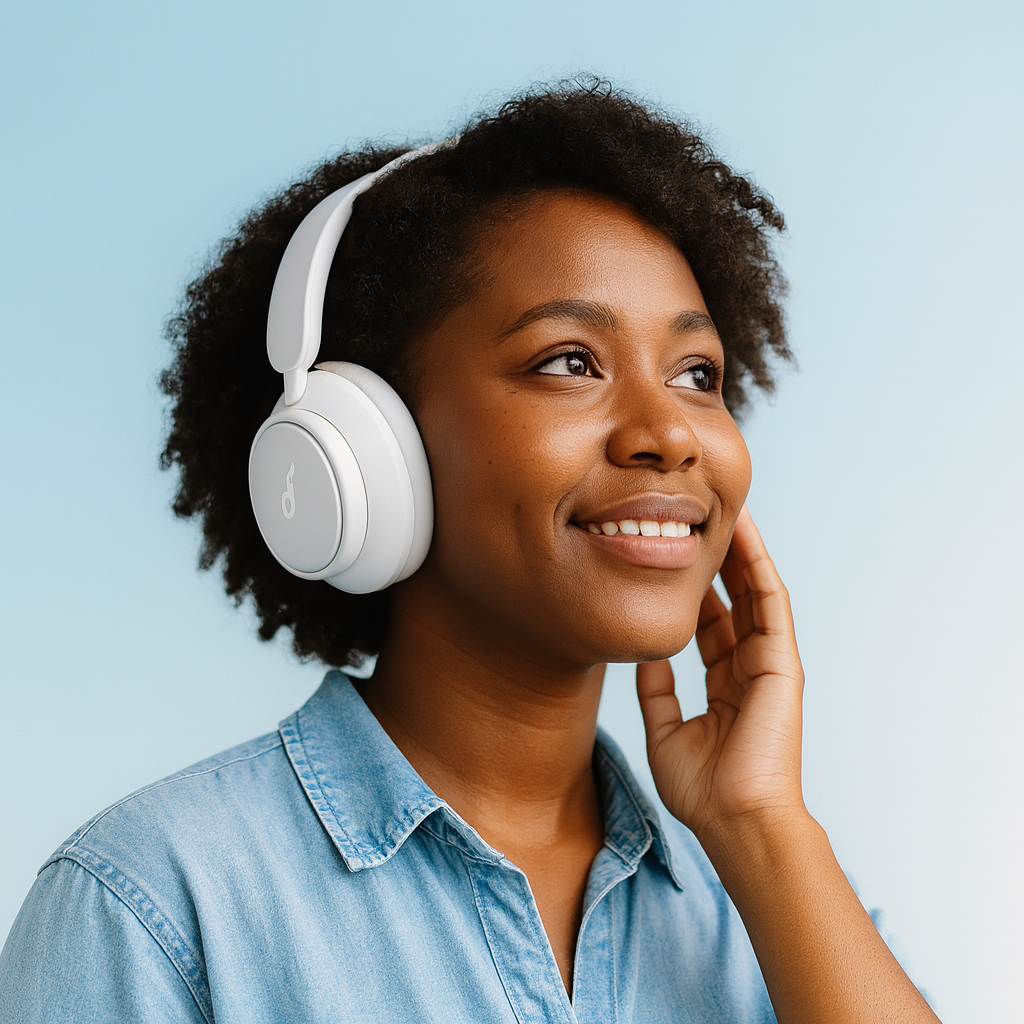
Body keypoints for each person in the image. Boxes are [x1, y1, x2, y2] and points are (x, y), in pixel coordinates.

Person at [0, 81, 939, 1023]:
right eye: (569, 360)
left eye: (698, 375)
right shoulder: (153, 905)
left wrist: (766, 831)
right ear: (369, 448)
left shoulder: (771, 904)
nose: (673, 433)